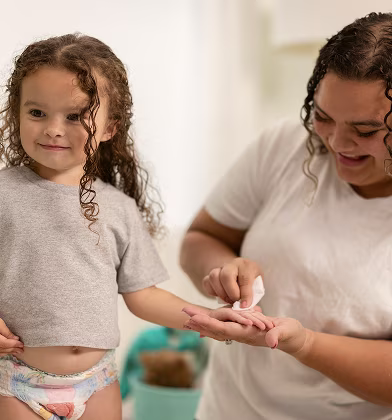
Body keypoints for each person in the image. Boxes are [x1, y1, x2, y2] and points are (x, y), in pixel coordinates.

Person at [0, 34, 272, 420]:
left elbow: (143, 296)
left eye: (75, 116)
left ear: (110, 127)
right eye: (37, 113)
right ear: (17, 113)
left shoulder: (120, 208)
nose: (54, 129)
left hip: (97, 383)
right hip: (15, 383)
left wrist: (209, 319)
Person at [180, 11, 392, 420]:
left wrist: (304, 343)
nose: (337, 143)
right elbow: (199, 239)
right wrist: (223, 269)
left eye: (365, 131)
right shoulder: (285, 145)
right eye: (324, 117)